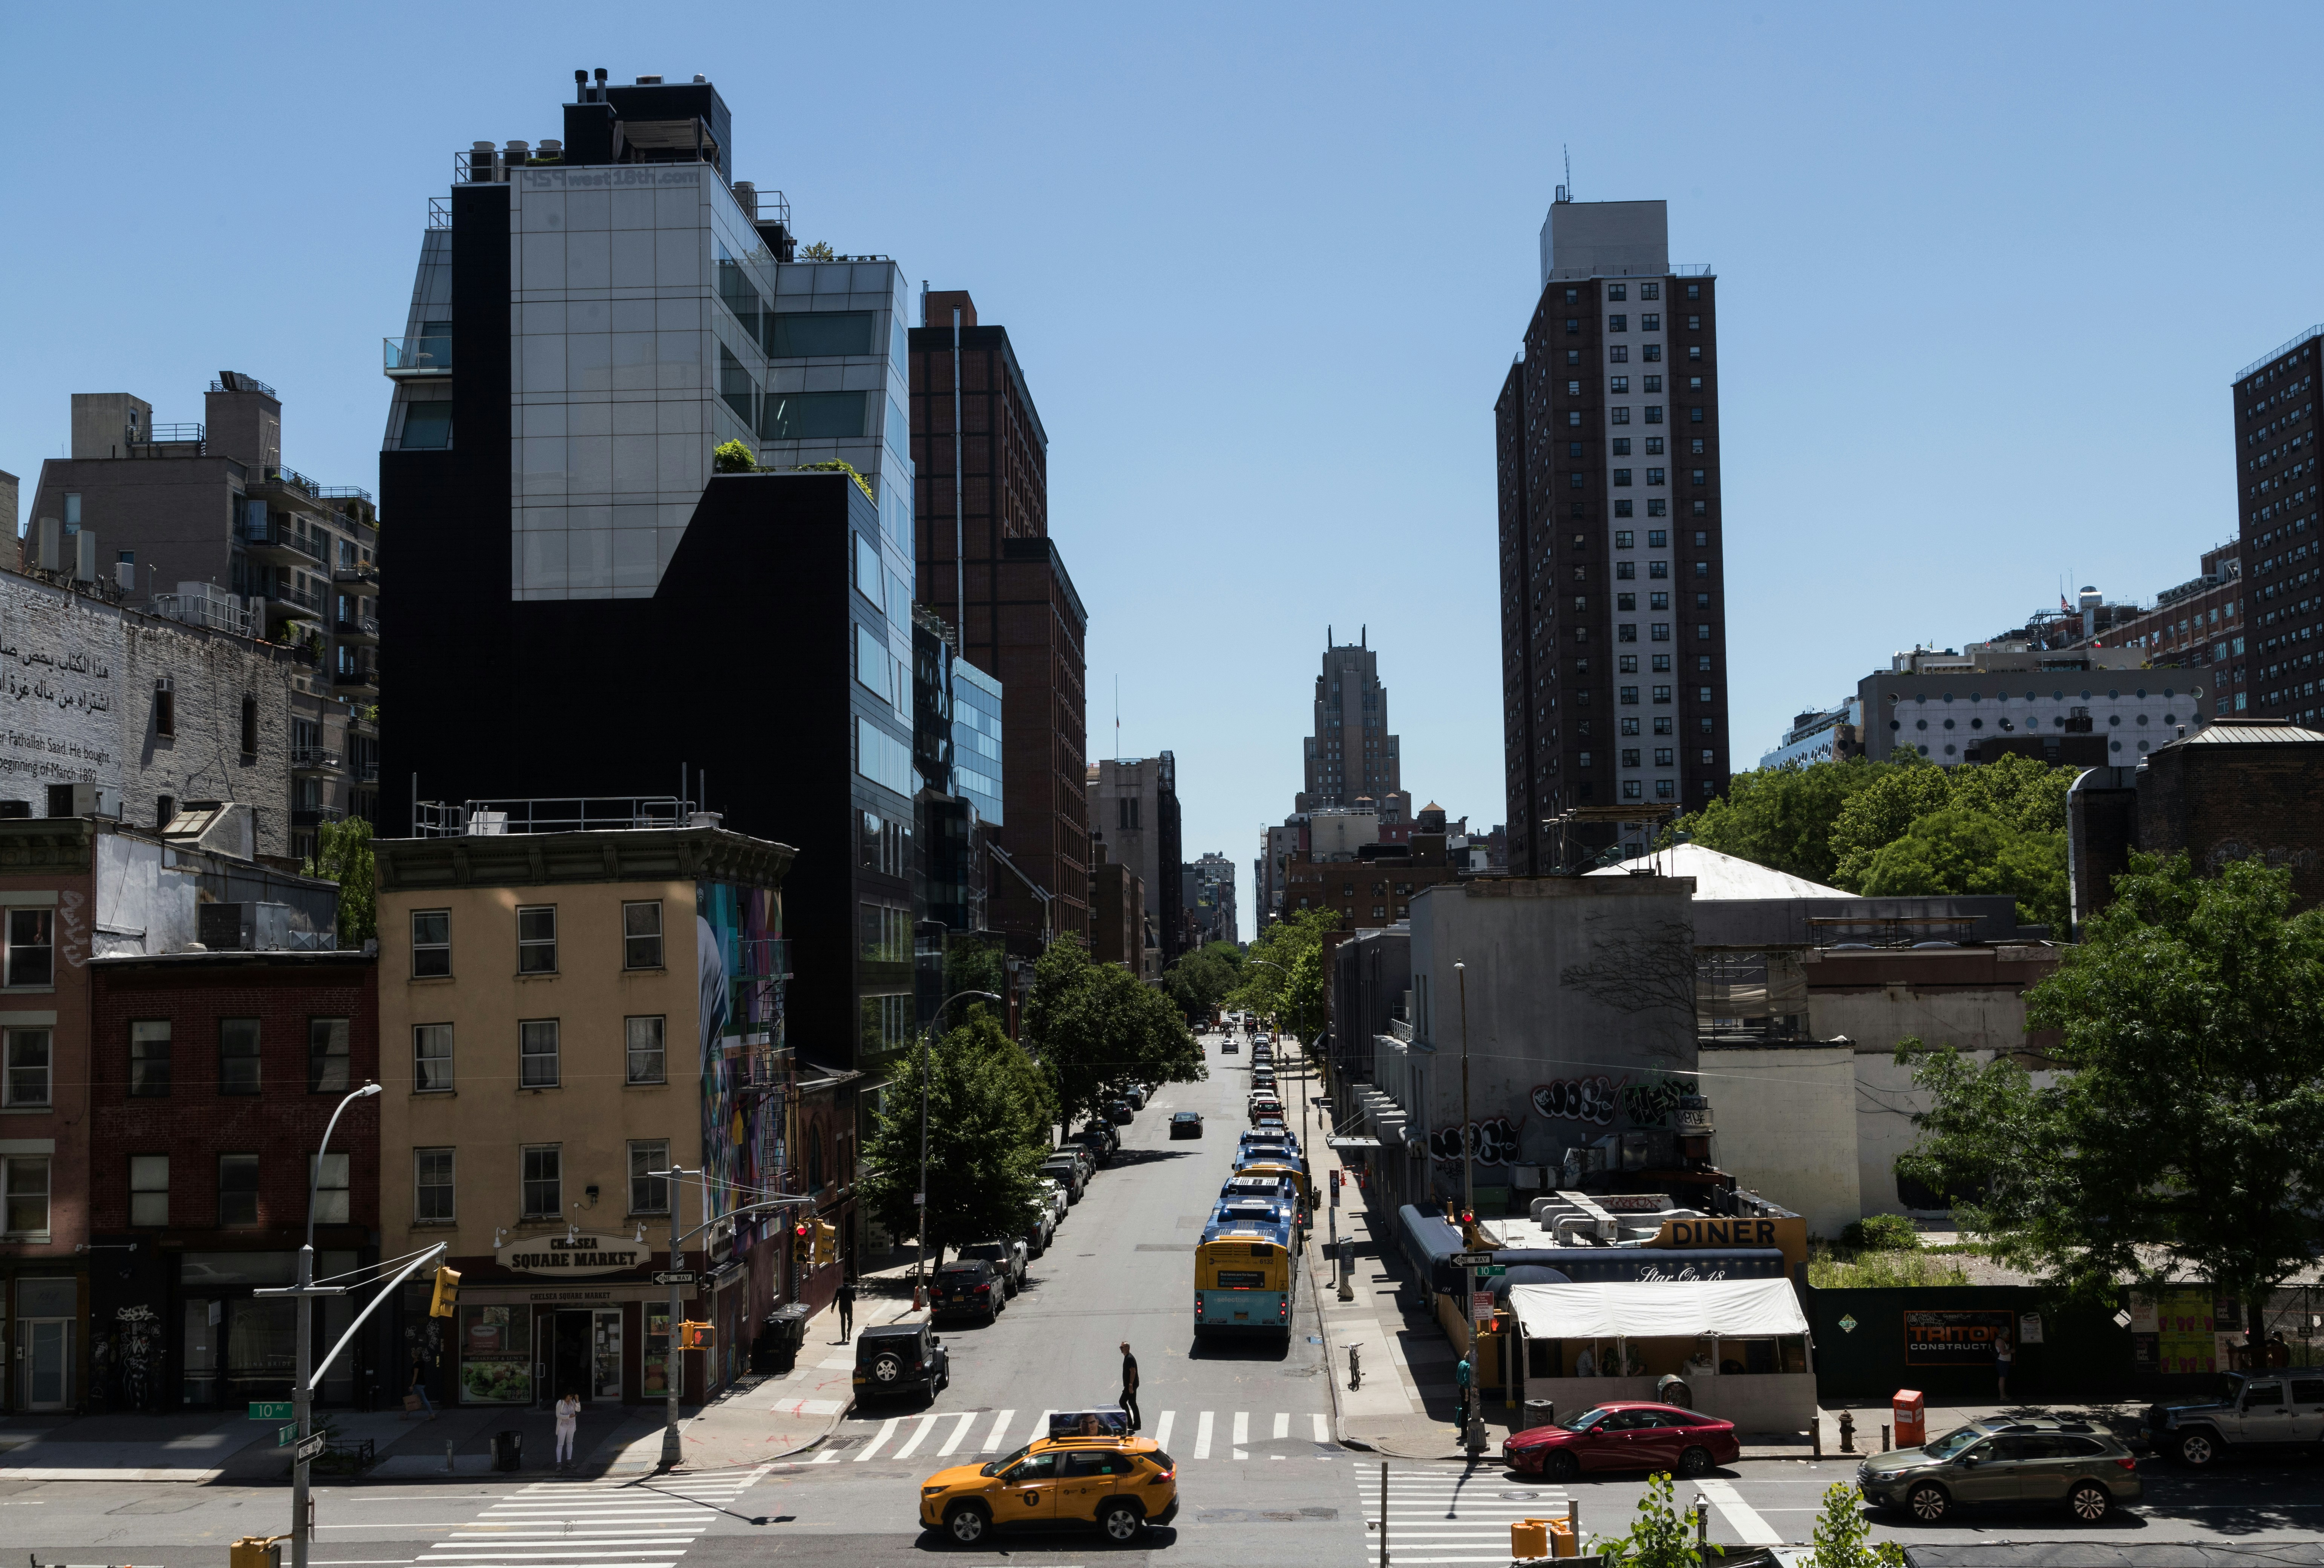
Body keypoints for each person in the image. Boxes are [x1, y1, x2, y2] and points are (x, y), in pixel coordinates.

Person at [554, 1389, 581, 1470]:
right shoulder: (561, 1403)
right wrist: (568, 1416)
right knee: (560, 1444)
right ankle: (559, 1463)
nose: (570, 1398)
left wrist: (577, 1400)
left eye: (572, 1397)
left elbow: (578, 1410)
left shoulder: (572, 1402)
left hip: (571, 1426)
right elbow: (558, 1415)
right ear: (566, 1395)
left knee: (570, 1443)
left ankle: (569, 1461)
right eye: (570, 1396)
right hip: (563, 1426)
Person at [1119, 1341, 1142, 1432]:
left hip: (1131, 1385)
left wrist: (1131, 1385)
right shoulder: (1128, 1358)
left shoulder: (1130, 1359)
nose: (1121, 1349)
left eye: (1122, 1347)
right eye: (1120, 1347)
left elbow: (1133, 1371)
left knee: (1122, 1401)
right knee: (1132, 1403)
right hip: (1131, 1385)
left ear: (1127, 1348)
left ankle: (1130, 1423)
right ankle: (1136, 1424)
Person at [407, 1348, 435, 1419]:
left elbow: (415, 1376)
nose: (412, 1356)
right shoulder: (422, 1363)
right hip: (422, 1383)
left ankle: (432, 1414)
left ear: (416, 1356)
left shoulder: (417, 1364)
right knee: (412, 1399)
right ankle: (406, 1414)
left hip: (418, 1384)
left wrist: (412, 1385)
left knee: (424, 1400)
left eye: (413, 1355)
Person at [1455, 1351, 1475, 1431]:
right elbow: (1467, 1381)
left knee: (1464, 1409)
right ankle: (1470, 1429)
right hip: (1467, 1389)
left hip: (1461, 1388)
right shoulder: (1469, 1366)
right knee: (1468, 1409)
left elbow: (1458, 1377)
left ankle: (1464, 1431)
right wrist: (1467, 1394)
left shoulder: (1462, 1363)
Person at [1993, 1327, 2013, 1400]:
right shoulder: (2000, 1341)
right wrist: (2011, 1351)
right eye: (2007, 1334)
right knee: (2002, 1378)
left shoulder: (2001, 1341)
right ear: (2003, 1333)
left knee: (2003, 1378)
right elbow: (2003, 1352)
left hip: (2004, 1362)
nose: (2007, 1336)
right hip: (2002, 1361)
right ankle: (2002, 1396)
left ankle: (2004, 1394)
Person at [836, 1275, 856, 1340]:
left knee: (843, 1321)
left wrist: (833, 1307)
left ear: (844, 1281)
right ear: (849, 1281)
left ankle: (843, 1337)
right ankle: (849, 1332)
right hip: (849, 1307)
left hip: (842, 1307)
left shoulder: (839, 1289)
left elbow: (835, 1299)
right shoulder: (852, 1289)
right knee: (850, 1320)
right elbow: (854, 1299)